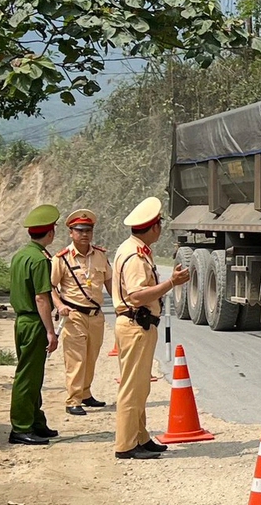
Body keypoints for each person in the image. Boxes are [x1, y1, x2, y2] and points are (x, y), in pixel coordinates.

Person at [109, 197, 191, 460]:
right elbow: (136, 296)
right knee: (133, 387)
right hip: (136, 323)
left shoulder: (134, 249)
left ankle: (140, 436)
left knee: (140, 385)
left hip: (137, 324)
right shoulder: (135, 256)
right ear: (154, 227)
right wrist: (171, 283)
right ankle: (125, 444)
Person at [7, 205, 62, 446]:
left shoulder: (21, 255)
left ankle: (35, 421)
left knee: (33, 374)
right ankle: (20, 427)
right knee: (27, 377)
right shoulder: (40, 260)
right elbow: (41, 298)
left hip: (22, 320)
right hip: (34, 321)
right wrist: (50, 331)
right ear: (49, 233)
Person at [51, 208, 111, 416]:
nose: (84, 234)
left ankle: (85, 393)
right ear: (71, 232)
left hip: (96, 315)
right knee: (76, 358)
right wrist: (60, 306)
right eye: (80, 230)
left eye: (88, 230)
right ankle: (73, 399)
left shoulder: (100, 255)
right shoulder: (62, 259)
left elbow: (109, 281)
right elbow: (50, 287)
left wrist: (122, 304)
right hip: (74, 315)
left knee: (91, 356)